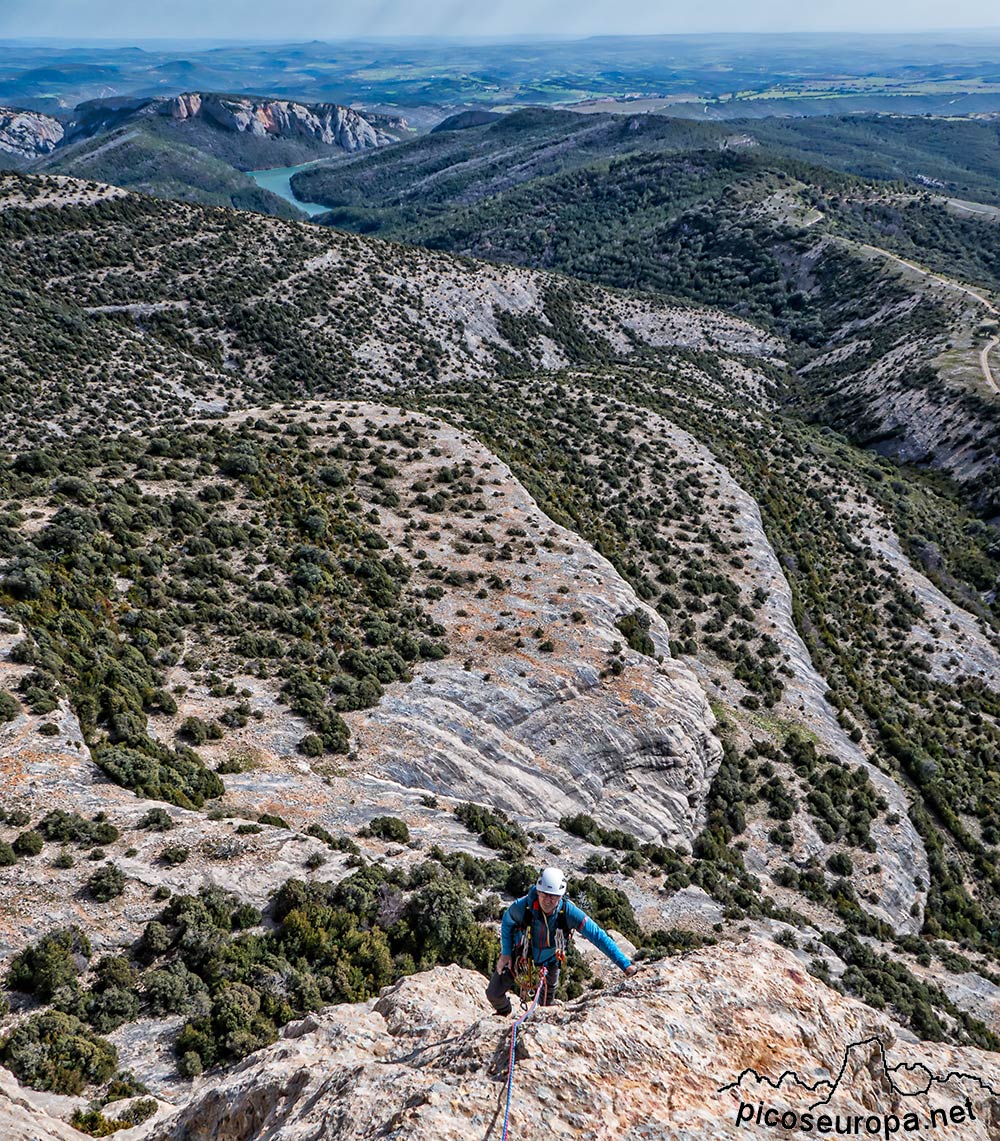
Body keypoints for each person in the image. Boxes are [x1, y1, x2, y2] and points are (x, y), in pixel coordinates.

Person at [486, 866, 638, 1014]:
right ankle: (504, 1013)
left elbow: (598, 936)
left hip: (551, 960)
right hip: (521, 954)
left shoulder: (569, 912)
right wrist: (506, 953)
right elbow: (507, 921)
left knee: (544, 1010)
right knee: (493, 993)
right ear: (538, 891)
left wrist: (625, 965)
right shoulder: (523, 906)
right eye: (544, 894)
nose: (548, 900)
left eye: (553, 896)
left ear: (561, 896)